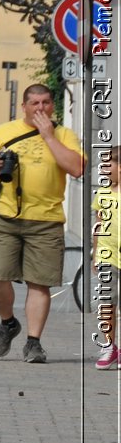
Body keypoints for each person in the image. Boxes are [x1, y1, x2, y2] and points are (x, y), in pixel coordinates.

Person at [0, 84, 85, 364]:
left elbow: (77, 167)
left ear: (52, 106)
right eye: (34, 103)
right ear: (24, 106)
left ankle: (34, 343)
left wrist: (49, 137)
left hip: (46, 220)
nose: (40, 108)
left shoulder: (64, 134)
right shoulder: (5, 131)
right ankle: (8, 322)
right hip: (3, 215)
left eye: (46, 102)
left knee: (39, 283)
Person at [93, 147, 119, 370]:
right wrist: (95, 254)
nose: (104, 169)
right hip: (107, 254)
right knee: (107, 303)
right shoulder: (102, 194)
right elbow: (99, 225)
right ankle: (109, 347)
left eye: (109, 165)